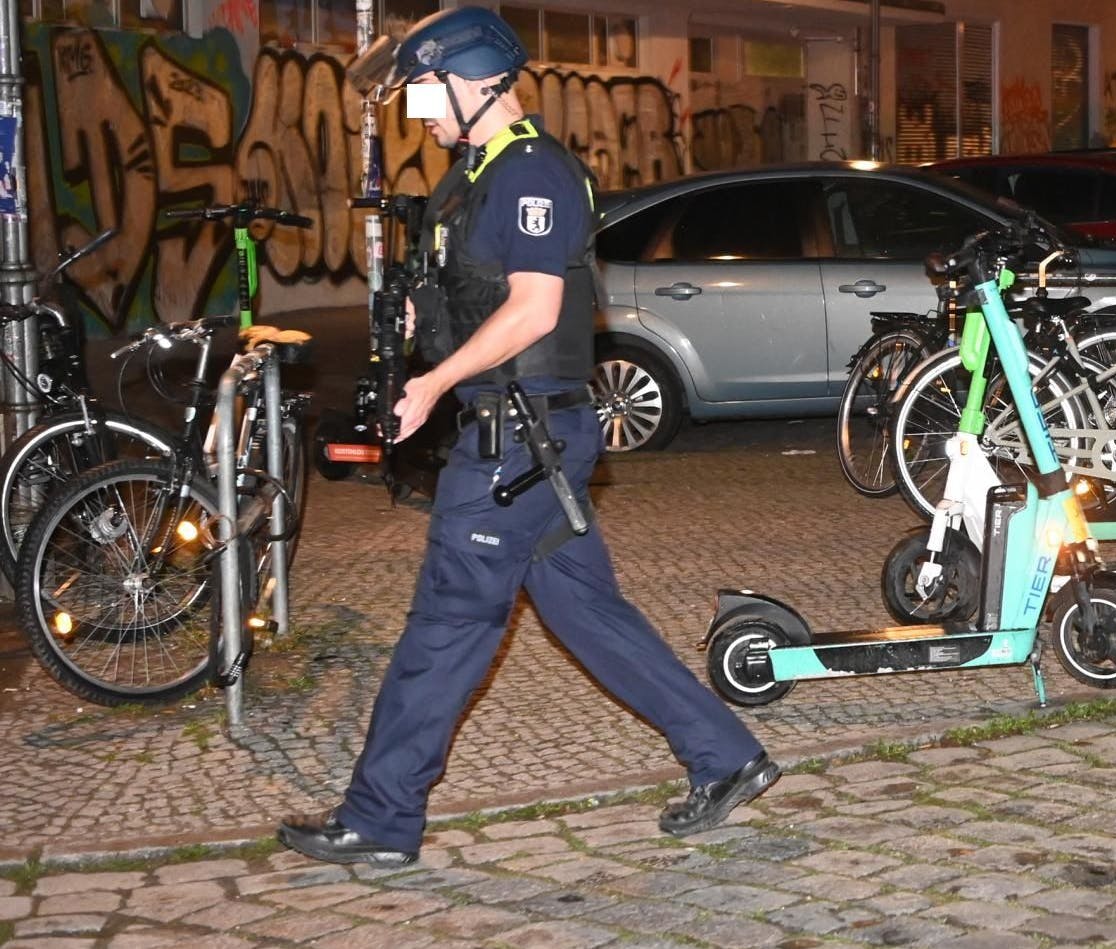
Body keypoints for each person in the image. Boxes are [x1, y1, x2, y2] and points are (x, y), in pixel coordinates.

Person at [278, 7, 778, 865]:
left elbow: (535, 308)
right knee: (587, 612)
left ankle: (382, 818)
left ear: (475, 79)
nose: (419, 115)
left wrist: (434, 383)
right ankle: (726, 755)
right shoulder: (472, 177)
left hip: (518, 439)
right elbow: (469, 293)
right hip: (517, 432)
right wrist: (416, 318)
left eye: (425, 94)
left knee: (447, 623)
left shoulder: (534, 173)